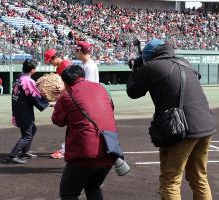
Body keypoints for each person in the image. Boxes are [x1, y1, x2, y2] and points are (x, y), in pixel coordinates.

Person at [126, 39, 216, 200]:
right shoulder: (184, 62)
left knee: (171, 180)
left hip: (181, 128)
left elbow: (133, 92)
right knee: (199, 177)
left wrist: (136, 68)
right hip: (205, 125)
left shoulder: (152, 67)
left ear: (149, 56)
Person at [51, 65, 117, 199]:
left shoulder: (67, 95)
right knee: (93, 187)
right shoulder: (102, 88)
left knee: (68, 193)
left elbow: (57, 120)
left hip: (84, 154)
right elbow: (111, 108)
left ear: (65, 82)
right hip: (110, 148)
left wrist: (59, 102)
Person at [7, 59, 49, 164]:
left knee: (32, 129)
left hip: (18, 107)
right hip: (23, 110)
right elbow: (34, 96)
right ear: (32, 70)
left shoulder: (18, 77)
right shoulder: (28, 81)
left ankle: (25, 151)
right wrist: (47, 103)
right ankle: (12, 155)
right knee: (26, 135)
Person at [44, 49, 71, 159]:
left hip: (73, 96)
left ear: (55, 57)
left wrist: (63, 88)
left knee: (72, 123)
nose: (50, 63)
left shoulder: (66, 64)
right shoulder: (58, 68)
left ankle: (64, 150)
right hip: (68, 96)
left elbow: (72, 81)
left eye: (50, 61)